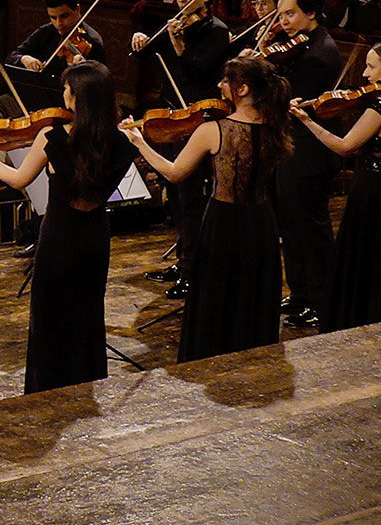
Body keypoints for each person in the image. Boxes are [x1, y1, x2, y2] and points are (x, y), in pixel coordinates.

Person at [0, 62, 134, 393]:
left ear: (76, 96)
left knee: (51, 316)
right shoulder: (122, 142)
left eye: (66, 88)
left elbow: (17, 178)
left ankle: (48, 387)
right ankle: (86, 381)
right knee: (87, 312)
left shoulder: (51, 137)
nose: (62, 94)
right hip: (96, 237)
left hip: (60, 237)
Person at [123, 57, 292, 362]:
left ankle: (214, 356)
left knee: (220, 295)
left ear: (241, 89)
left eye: (225, 81)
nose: (219, 86)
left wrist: (140, 144)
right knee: (251, 293)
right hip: (261, 221)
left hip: (224, 221)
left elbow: (175, 173)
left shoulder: (214, 130)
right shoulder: (276, 123)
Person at [289, 41, 381, 331]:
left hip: (374, 189)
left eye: (371, 66)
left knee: (366, 254)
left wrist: (306, 120)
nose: (364, 74)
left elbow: (344, 146)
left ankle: (359, 315)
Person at [131, 0, 232, 295]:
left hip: (197, 120)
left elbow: (197, 70)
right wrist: (141, 41)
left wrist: (177, 44)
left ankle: (193, 268)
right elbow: (148, 53)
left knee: (189, 194)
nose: (183, 0)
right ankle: (183, 256)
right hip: (171, 116)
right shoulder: (176, 25)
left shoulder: (216, 32)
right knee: (173, 192)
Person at [265, 0, 342, 330]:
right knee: (290, 227)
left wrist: (263, 68)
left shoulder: (318, 53)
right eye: (280, 15)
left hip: (309, 153)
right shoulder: (300, 46)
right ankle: (299, 292)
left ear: (311, 13)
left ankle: (322, 299)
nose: (283, 22)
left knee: (310, 230)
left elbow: (285, 98)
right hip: (291, 150)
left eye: (290, 14)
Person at [8, 0, 107, 81]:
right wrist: (24, 58)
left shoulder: (92, 42)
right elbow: (12, 56)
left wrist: (78, 74)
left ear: (77, 9)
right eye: (53, 17)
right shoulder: (46, 31)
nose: (58, 24)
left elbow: (96, 85)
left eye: (64, 16)